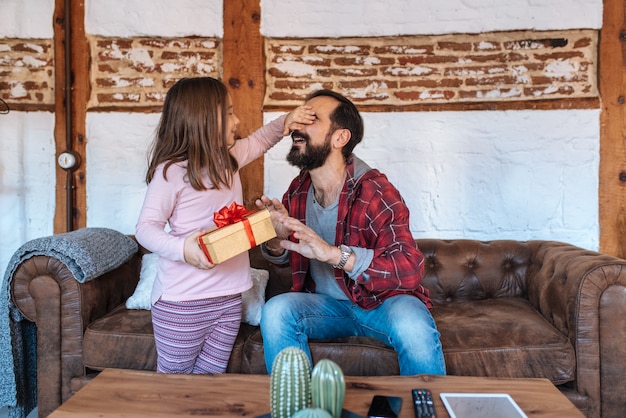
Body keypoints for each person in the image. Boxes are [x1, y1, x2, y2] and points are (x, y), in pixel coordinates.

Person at [256, 89, 446, 376]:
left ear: (340, 138)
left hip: (382, 303)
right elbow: (290, 257)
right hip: (327, 308)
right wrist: (276, 239)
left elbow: (409, 268)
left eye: (311, 119)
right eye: (298, 119)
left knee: (413, 325)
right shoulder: (298, 189)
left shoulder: (375, 190)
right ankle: (297, 409)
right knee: (276, 310)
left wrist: (335, 255)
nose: (296, 126)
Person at [135, 76, 313, 374]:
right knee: (174, 387)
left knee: (210, 383)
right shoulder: (171, 172)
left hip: (229, 300)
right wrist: (183, 248)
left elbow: (261, 139)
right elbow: (145, 228)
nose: (237, 120)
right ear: (202, 119)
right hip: (182, 304)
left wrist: (287, 120)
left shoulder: (228, 159)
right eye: (229, 112)